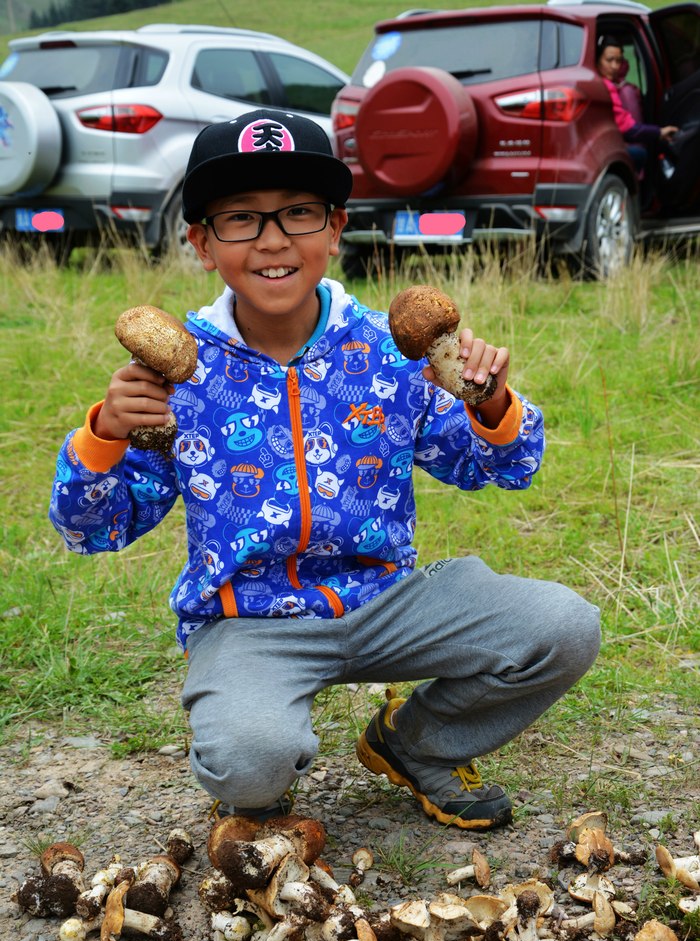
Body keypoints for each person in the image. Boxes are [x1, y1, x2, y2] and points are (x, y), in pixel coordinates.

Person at [49, 109, 601, 832]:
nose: (273, 239)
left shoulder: (390, 351)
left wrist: (490, 401)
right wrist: (103, 436)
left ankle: (416, 744)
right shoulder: (174, 374)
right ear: (201, 243)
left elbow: (500, 468)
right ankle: (260, 761)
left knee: (563, 626)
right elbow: (96, 528)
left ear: (335, 230)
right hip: (249, 621)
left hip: (388, 602)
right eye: (241, 219)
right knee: (250, 763)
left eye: (299, 214)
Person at [596, 35, 678, 182]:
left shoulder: (608, 83)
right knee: (640, 154)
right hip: (604, 149)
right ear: (597, 60)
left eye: (619, 61)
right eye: (609, 60)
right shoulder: (606, 87)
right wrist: (659, 132)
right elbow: (628, 129)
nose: (615, 66)